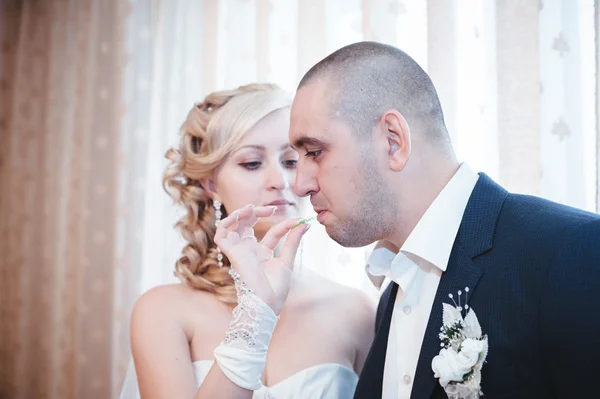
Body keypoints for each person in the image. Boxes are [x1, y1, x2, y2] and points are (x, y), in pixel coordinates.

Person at [288, 41, 600, 398]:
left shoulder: (571, 252)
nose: (299, 184)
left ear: (393, 141)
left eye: (314, 152)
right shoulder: (393, 294)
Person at [120, 83, 375, 399]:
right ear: (211, 183)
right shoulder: (162, 311)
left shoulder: (356, 311)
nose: (279, 182)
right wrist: (256, 312)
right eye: (252, 163)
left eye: (292, 161)